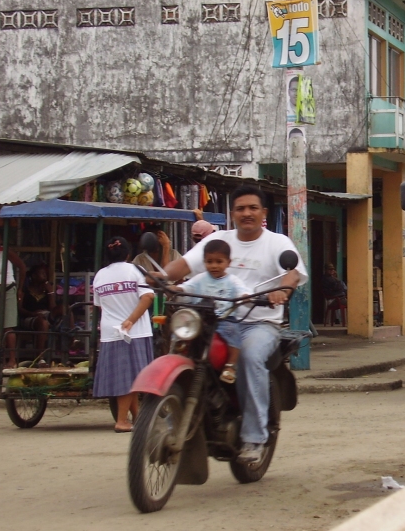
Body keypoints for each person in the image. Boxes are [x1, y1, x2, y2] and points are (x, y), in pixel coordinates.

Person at [161, 185, 308, 464]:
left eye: (253, 208)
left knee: (250, 356)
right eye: (240, 208)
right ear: (232, 213)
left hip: (258, 323)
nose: (246, 213)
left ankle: (254, 438)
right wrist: (161, 276)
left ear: (263, 212)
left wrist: (282, 291)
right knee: (176, 346)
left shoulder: (277, 243)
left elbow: (292, 273)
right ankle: (167, 421)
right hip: (211, 320)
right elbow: (183, 266)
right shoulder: (218, 241)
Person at [92, 237, 155, 433]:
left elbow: (99, 305)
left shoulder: (100, 275)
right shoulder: (135, 270)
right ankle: (121, 420)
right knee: (131, 379)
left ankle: (137, 418)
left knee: (130, 377)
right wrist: (131, 320)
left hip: (111, 332)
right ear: (128, 254)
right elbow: (148, 297)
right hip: (134, 332)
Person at [173, 239, 251, 384]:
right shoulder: (200, 278)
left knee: (233, 331)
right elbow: (187, 287)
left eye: (219, 261)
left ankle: (231, 365)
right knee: (180, 329)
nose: (214, 266)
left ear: (228, 262)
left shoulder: (233, 281)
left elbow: (242, 291)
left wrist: (244, 297)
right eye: (209, 262)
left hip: (224, 319)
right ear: (204, 262)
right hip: (200, 319)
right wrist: (177, 289)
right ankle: (176, 354)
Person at [0, 227, 26, 368]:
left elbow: (22, 267)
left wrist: (20, 289)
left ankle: (12, 359)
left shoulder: (5, 251)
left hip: (7, 289)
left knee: (8, 327)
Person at [18, 264, 60, 355]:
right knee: (42, 322)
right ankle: (40, 356)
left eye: (45, 273)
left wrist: (50, 293)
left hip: (46, 314)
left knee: (65, 308)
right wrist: (32, 314)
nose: (44, 275)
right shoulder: (25, 290)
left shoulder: (46, 291)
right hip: (29, 316)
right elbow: (19, 309)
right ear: (33, 276)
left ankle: (71, 339)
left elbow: (52, 308)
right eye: (41, 273)